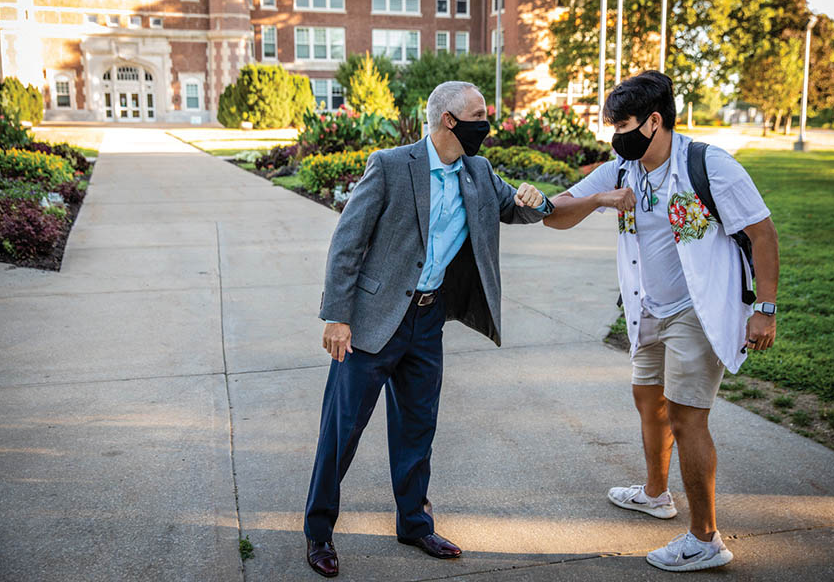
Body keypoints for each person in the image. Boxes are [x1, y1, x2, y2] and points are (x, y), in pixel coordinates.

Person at [303, 81, 553, 578]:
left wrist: (537, 200)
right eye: (480, 113)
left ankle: (415, 524)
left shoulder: (479, 171)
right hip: (373, 323)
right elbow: (347, 243)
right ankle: (319, 532)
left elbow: (516, 208)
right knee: (342, 430)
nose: (489, 120)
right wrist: (337, 315)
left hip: (427, 320)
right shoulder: (392, 165)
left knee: (418, 429)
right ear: (449, 120)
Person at [544, 71, 779, 573]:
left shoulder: (709, 166)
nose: (616, 135)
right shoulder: (623, 170)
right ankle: (655, 494)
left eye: (623, 124)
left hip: (698, 307)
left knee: (687, 416)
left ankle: (705, 538)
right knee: (647, 399)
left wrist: (765, 308)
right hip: (648, 306)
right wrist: (600, 199)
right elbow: (556, 212)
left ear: (654, 121)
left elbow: (763, 233)